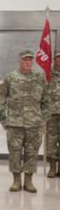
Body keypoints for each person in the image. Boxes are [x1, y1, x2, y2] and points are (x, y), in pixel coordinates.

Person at [0, 50, 50, 193]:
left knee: (32, 153)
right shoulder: (10, 77)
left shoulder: (39, 77)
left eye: (30, 60)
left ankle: (28, 180)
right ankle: (16, 180)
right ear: (19, 61)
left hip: (34, 124)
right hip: (14, 124)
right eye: (25, 60)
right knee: (15, 152)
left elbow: (46, 101)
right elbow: (0, 100)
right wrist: (4, 120)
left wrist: (42, 119)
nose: (28, 62)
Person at [46, 49, 60, 178]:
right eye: (58, 57)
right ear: (54, 59)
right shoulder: (48, 75)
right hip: (52, 113)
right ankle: (52, 167)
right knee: (51, 141)